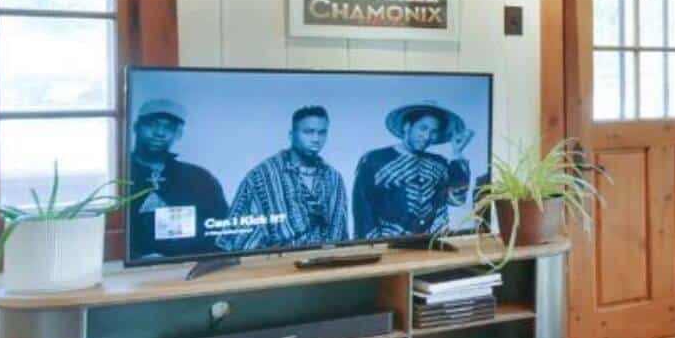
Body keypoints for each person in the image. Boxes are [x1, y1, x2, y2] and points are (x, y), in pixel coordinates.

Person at [222, 106, 350, 251]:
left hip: (329, 260)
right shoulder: (262, 176)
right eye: (308, 132)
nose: (316, 139)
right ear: (291, 135)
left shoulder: (334, 178)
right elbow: (236, 238)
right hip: (277, 262)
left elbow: (341, 235)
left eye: (322, 133)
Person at [127, 98, 230, 260]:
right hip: (135, 271)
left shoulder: (200, 178)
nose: (159, 133)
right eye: (152, 124)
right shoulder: (118, 175)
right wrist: (138, 259)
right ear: (136, 127)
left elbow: (223, 232)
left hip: (193, 266)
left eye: (169, 127)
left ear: (178, 134)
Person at [353, 102, 474, 239]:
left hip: (433, 242)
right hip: (389, 243)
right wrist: (371, 244)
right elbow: (362, 209)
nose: (427, 136)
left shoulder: (439, 163)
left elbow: (457, 200)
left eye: (433, 131)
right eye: (423, 128)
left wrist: (457, 153)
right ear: (407, 126)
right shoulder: (375, 160)